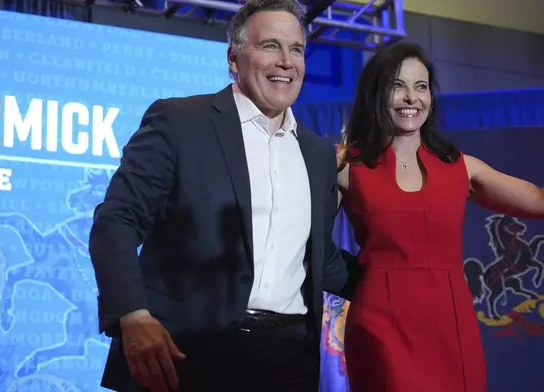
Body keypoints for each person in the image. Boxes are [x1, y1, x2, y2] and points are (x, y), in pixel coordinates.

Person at [89, 0, 358, 391]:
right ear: (233, 59)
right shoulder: (180, 122)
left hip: (288, 363)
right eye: (270, 46)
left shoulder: (317, 154)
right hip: (185, 355)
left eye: (296, 49)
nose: (286, 61)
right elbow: (117, 221)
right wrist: (132, 314)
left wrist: (397, 284)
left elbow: (317, 257)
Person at [336, 42, 544, 391]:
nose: (411, 97)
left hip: (450, 330)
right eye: (397, 86)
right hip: (378, 327)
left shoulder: (460, 167)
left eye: (421, 86)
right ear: (376, 93)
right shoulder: (346, 164)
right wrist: (363, 280)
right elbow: (306, 243)